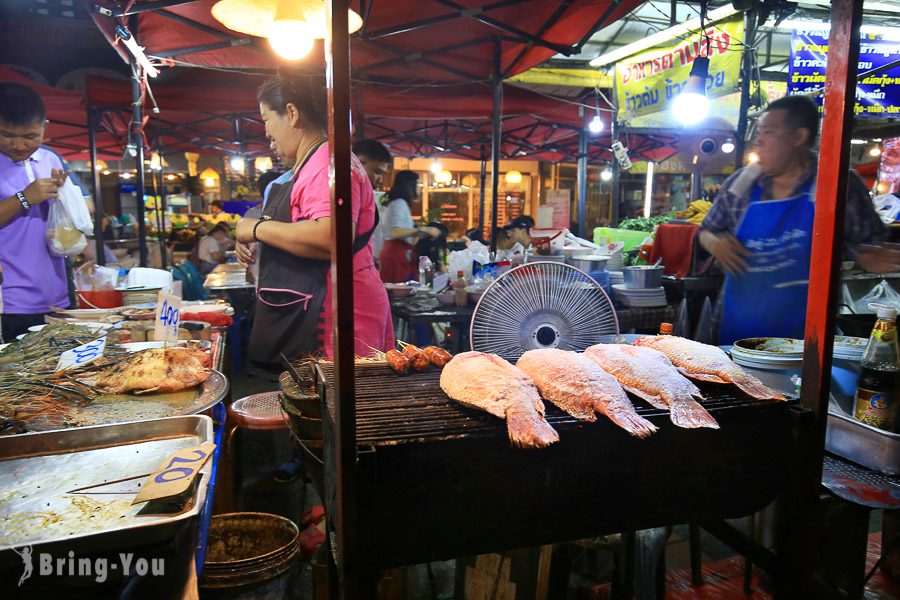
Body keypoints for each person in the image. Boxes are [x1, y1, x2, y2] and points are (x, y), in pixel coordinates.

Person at [699, 95, 898, 344]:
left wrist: (867, 255)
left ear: (798, 137)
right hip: (734, 328)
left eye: (768, 132)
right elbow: (706, 230)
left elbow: (868, 246)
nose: (758, 140)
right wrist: (716, 243)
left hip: (805, 340)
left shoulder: (838, 184)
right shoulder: (742, 183)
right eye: (759, 132)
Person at [234, 68, 393, 365]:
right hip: (330, 304)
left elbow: (330, 235)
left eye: (266, 119)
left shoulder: (326, 164)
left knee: (339, 406)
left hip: (340, 312)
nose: (266, 131)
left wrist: (256, 229)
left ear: (292, 113)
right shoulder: (318, 162)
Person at [0, 82, 70, 342]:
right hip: (8, 301)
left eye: (30, 136)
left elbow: (87, 207)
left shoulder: (51, 158)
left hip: (56, 295)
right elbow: (26, 199)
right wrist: (24, 198)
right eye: (7, 135)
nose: (18, 145)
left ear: (44, 126)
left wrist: (65, 196)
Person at [378, 170, 441, 282]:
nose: (419, 189)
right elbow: (395, 232)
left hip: (398, 255)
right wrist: (423, 229)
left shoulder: (399, 204)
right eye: (418, 185)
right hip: (394, 256)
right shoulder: (399, 203)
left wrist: (419, 233)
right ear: (410, 186)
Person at [352, 139, 392, 261]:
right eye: (377, 172)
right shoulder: (348, 193)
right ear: (359, 163)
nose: (380, 180)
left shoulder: (367, 196)